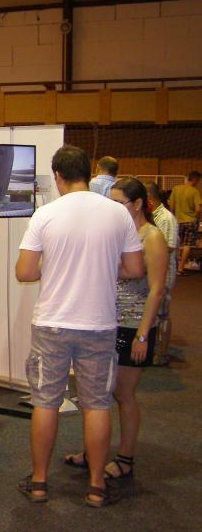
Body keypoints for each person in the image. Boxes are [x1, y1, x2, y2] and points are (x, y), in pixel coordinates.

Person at [15, 145, 143, 507]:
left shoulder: (45, 214)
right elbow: (135, 269)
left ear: (58, 176)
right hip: (99, 324)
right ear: (89, 173)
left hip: (52, 323)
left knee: (45, 402)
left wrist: (53, 267)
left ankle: (39, 483)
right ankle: (96, 486)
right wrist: (103, 267)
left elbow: (24, 272)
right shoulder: (117, 214)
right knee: (97, 404)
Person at [64, 177, 168, 483]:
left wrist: (142, 334)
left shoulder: (152, 237)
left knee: (123, 394)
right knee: (96, 393)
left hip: (133, 325)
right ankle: (92, 452)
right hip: (105, 321)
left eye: (118, 202)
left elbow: (157, 290)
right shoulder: (118, 232)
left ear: (137, 204)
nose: (111, 208)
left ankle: (125, 458)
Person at [144, 182, 178, 366]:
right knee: (155, 313)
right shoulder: (154, 215)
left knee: (163, 314)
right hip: (155, 272)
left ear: (149, 198)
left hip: (164, 274)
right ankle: (155, 349)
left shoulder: (166, 217)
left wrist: (148, 250)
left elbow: (170, 246)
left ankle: (162, 353)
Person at [168, 171, 201, 275]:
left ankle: (174, 266)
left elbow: (171, 206)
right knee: (187, 245)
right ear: (195, 180)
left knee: (177, 244)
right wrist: (197, 219)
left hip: (178, 221)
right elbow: (198, 209)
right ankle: (180, 268)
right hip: (190, 221)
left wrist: (173, 217)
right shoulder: (194, 191)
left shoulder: (176, 189)